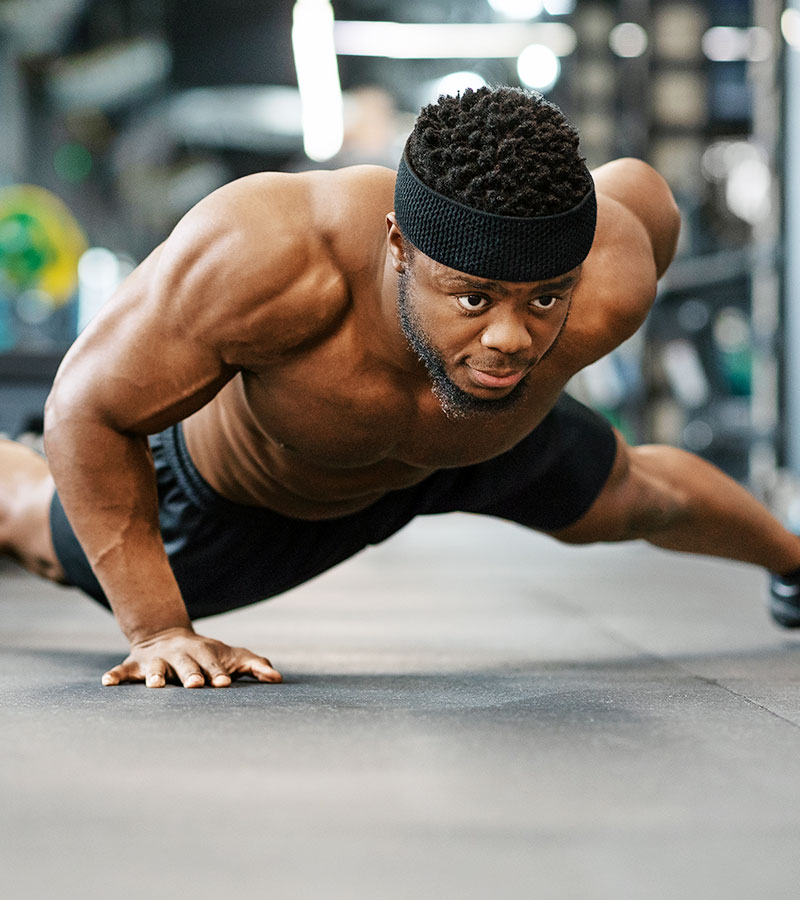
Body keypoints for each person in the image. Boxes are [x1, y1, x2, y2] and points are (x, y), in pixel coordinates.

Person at [2, 86, 800, 690]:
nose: (510, 338)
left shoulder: (609, 273)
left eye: (545, 298)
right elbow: (89, 406)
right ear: (399, 247)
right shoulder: (271, 252)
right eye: (474, 297)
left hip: (472, 437)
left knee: (639, 495)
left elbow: (638, 194)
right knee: (36, 528)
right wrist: (155, 631)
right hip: (245, 491)